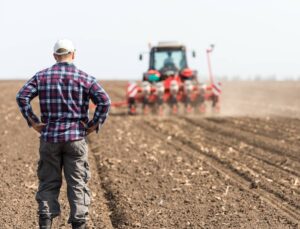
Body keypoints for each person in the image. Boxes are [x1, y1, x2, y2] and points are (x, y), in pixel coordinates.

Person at [16, 39, 111, 229]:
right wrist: (92, 125)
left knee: (48, 182)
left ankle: (45, 223)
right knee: (77, 183)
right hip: (76, 138)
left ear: (54, 56)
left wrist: (34, 122)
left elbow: (22, 96)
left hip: (49, 138)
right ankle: (79, 224)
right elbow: (105, 101)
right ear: (73, 54)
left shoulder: (41, 77)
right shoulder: (85, 78)